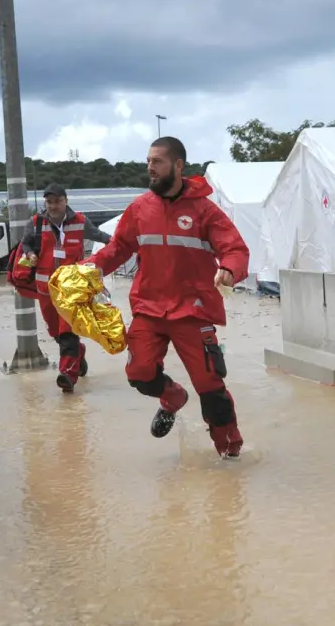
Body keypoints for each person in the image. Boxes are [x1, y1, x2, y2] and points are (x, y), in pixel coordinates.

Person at [88, 137, 251, 458]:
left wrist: (230, 269)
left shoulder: (205, 210)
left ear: (178, 165)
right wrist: (87, 269)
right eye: (148, 161)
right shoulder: (139, 209)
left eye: (157, 161)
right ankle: (173, 397)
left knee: (210, 387)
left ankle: (230, 454)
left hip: (193, 311)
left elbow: (235, 248)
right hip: (149, 308)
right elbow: (117, 249)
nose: (150, 167)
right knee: (139, 373)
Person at [20, 183, 112, 393]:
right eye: (49, 202)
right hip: (45, 289)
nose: (53, 206)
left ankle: (68, 375)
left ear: (66, 201)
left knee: (67, 331)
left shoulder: (80, 221)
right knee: (55, 332)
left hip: (72, 289)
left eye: (57, 201)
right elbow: (25, 243)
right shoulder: (35, 223)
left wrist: (120, 244)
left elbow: (100, 236)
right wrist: (30, 254)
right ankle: (78, 353)